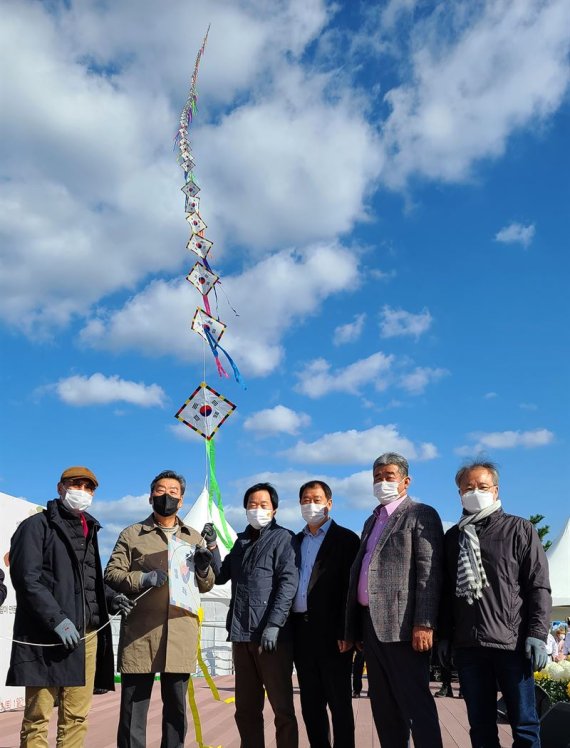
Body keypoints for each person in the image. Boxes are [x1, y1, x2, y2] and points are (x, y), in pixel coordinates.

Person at [6, 466, 131, 748]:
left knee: (76, 716)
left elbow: (88, 580)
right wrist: (57, 620)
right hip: (45, 636)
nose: (83, 492)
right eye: (76, 485)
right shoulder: (36, 526)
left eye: (89, 488)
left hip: (85, 636)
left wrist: (111, 598)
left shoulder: (90, 528)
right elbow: (27, 579)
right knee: (38, 716)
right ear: (60, 487)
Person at [439, 460, 551, 748]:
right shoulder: (453, 538)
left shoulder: (520, 529)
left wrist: (537, 634)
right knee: (481, 726)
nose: (475, 491)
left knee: (524, 725)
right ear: (459, 493)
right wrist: (445, 637)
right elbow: (445, 593)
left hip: (512, 645)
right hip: (469, 648)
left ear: (496, 489)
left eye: (482, 486)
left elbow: (538, 586)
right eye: (468, 487)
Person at [105, 469, 215, 748]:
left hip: (180, 632)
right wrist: (142, 578)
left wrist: (203, 567)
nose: (167, 496)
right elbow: (111, 574)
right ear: (150, 496)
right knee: (133, 709)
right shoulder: (132, 534)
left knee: (177, 709)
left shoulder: (193, 537)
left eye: (174, 492)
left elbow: (206, 585)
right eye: (161, 490)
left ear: (182, 500)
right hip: (142, 633)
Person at [345, 452, 444, 748]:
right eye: (377, 477)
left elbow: (429, 573)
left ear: (406, 481)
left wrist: (424, 622)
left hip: (404, 628)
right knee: (384, 707)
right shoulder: (371, 520)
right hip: (371, 626)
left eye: (389, 476)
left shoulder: (421, 514)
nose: (382, 482)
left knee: (416, 704)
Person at [215, 482, 299, 748]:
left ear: (274, 509)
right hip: (241, 635)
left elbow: (288, 584)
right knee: (246, 709)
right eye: (252, 505)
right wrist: (210, 548)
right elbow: (220, 576)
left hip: (271, 639)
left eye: (263, 505)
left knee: (282, 709)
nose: (257, 509)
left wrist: (274, 624)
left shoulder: (285, 538)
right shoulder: (240, 542)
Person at [291, 480, 360, 748]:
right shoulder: (294, 541)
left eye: (317, 499)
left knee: (339, 703)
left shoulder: (346, 540)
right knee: (310, 703)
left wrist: (347, 631)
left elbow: (351, 591)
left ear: (329, 503)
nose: (312, 505)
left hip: (334, 635)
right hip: (301, 631)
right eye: (306, 500)